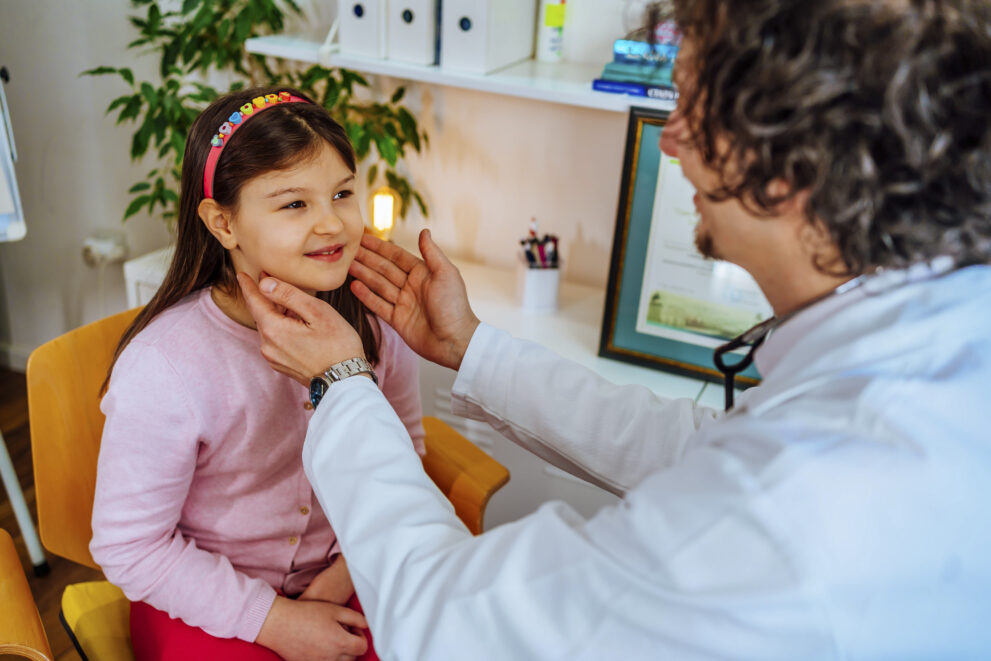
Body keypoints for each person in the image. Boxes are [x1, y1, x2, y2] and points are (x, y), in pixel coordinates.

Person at [238, 0, 991, 657]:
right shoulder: (934, 337)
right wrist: (470, 348)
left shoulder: (801, 501)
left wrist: (342, 381)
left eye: (693, 108)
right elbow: (696, 448)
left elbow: (451, 626)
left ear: (793, 161)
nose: (669, 140)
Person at [90, 86, 426, 661]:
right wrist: (274, 621)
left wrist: (342, 577)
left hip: (354, 570)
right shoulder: (164, 365)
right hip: (204, 597)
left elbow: (405, 457)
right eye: (294, 204)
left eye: (342, 193)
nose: (332, 224)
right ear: (223, 222)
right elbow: (130, 546)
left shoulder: (377, 323)